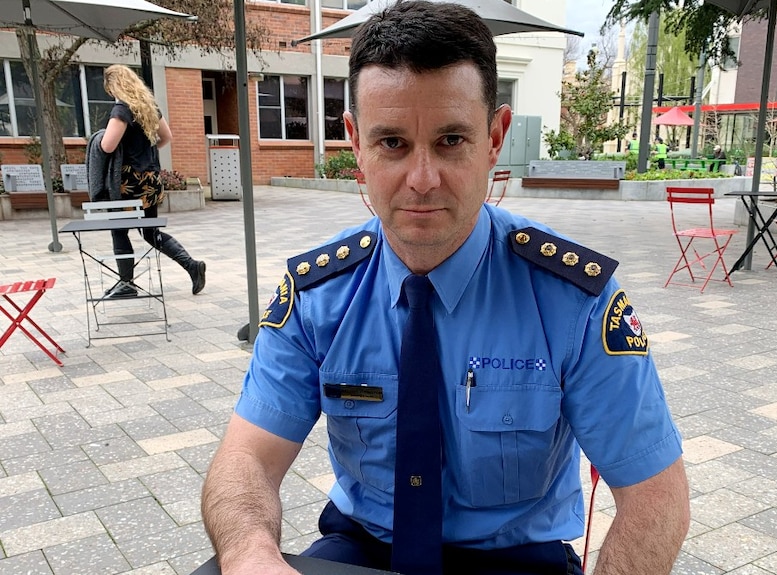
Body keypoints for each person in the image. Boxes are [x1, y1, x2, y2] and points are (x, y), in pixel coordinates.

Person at [201, 3, 689, 575]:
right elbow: (246, 459)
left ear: (495, 138)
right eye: (392, 144)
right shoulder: (318, 295)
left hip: (513, 560)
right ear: (355, 145)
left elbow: (656, 494)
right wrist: (248, 553)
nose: (423, 179)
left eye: (451, 139)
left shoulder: (573, 299)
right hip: (365, 552)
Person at [98, 64, 205, 298]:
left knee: (119, 231)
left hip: (128, 183)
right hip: (150, 180)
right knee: (149, 231)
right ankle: (192, 266)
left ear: (113, 86)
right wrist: (147, 152)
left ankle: (126, 285)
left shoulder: (121, 110)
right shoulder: (148, 107)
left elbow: (107, 145)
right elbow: (167, 137)